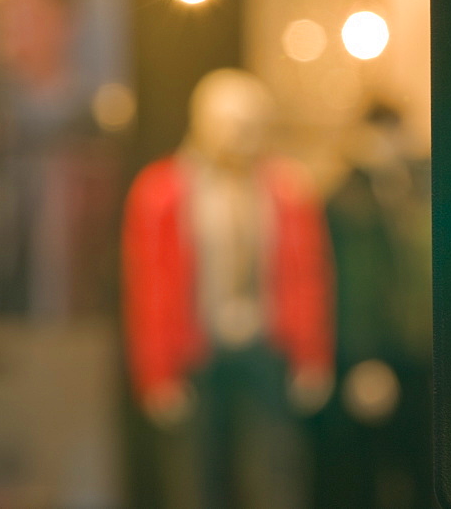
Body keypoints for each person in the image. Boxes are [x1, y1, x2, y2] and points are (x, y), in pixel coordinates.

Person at [122, 68, 334, 508]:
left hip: (266, 349)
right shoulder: (161, 191)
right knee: (194, 480)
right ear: (203, 122)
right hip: (195, 352)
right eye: (232, 125)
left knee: (276, 474)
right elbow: (148, 286)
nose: (243, 137)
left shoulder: (287, 189)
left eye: (253, 125)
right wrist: (156, 371)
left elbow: (309, 276)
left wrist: (312, 354)